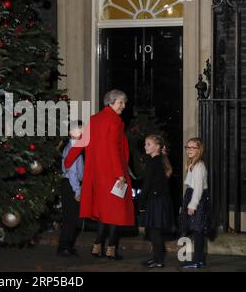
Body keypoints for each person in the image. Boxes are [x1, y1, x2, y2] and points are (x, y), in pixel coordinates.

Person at [64, 89, 134, 260]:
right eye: (120, 103)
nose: (123, 106)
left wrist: (68, 160)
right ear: (111, 103)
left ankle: (97, 246)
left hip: (97, 175)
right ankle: (111, 249)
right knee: (116, 213)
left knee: (104, 212)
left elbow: (82, 142)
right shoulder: (115, 121)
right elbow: (113, 149)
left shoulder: (94, 119)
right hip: (113, 173)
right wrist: (119, 174)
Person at [139, 135, 174, 268]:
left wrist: (141, 203)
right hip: (160, 199)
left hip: (156, 200)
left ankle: (158, 260)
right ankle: (156, 258)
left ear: (157, 147)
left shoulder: (153, 162)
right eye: (145, 144)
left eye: (148, 144)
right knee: (154, 232)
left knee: (154, 232)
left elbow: (147, 185)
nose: (145, 146)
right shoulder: (158, 160)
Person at [179, 137, 210, 269]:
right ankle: (199, 260)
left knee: (198, 231)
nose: (190, 150)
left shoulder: (199, 166)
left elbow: (198, 188)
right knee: (196, 230)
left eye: (193, 148)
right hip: (192, 197)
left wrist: (192, 205)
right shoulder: (193, 164)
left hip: (197, 199)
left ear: (199, 150)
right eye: (188, 147)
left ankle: (197, 260)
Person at [57, 121, 84, 257]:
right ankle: (63, 247)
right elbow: (72, 172)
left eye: (82, 129)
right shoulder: (71, 149)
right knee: (70, 218)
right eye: (78, 130)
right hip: (70, 185)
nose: (81, 132)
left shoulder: (77, 148)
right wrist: (77, 191)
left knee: (74, 218)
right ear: (70, 133)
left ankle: (68, 245)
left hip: (72, 184)